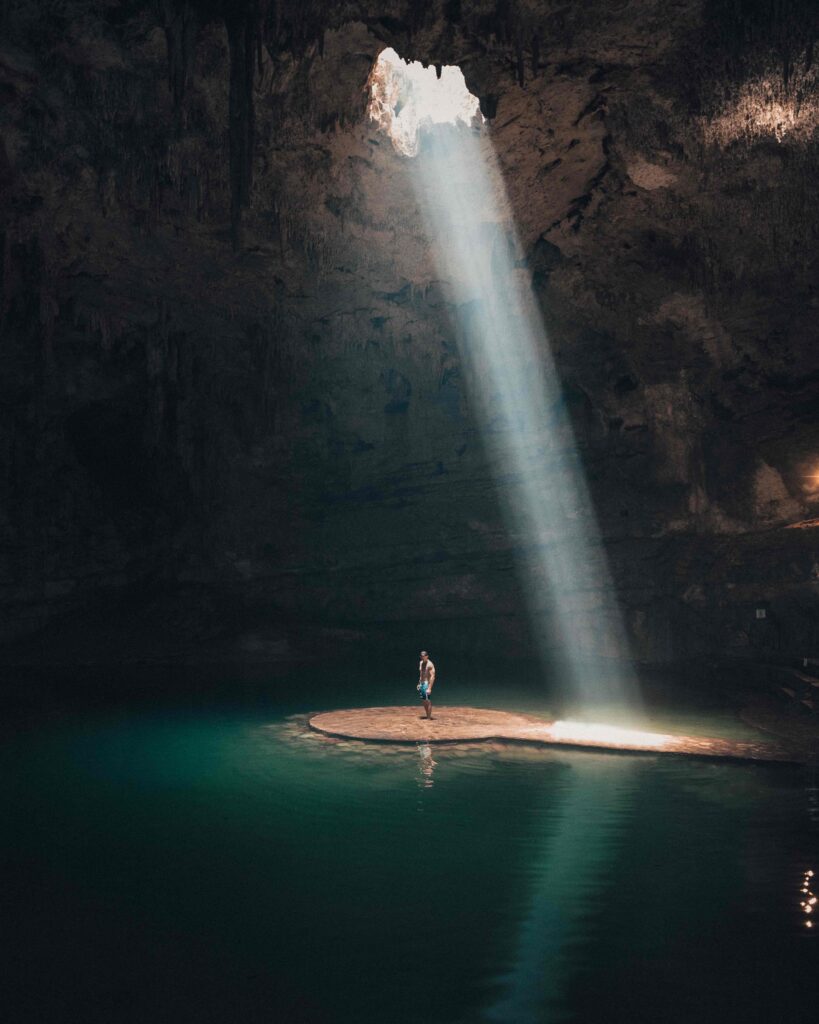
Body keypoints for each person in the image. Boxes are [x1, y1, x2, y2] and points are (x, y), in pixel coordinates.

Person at [417, 650, 436, 719]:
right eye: (421, 656)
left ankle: (429, 717)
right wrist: (419, 683)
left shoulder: (430, 664)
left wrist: (429, 688)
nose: (422, 657)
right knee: (424, 700)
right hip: (422, 683)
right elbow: (421, 674)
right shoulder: (421, 663)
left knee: (427, 700)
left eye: (424, 656)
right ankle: (427, 715)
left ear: (427, 656)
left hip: (426, 683)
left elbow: (433, 677)